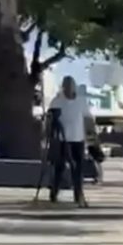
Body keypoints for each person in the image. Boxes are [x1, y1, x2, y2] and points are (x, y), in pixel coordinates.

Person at [48, 76, 95, 207]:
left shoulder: (81, 101)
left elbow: (88, 118)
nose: (69, 89)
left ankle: (78, 195)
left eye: (71, 86)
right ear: (63, 87)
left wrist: (92, 138)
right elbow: (50, 120)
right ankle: (54, 193)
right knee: (59, 167)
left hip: (78, 139)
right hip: (62, 140)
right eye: (66, 86)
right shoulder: (57, 101)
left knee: (78, 169)